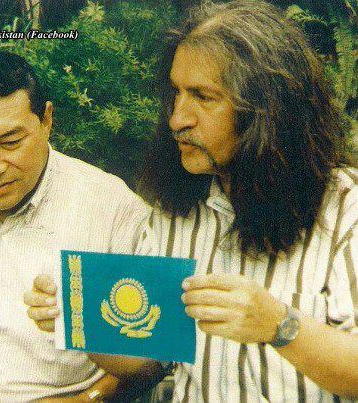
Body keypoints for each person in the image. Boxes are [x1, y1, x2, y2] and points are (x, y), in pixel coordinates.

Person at [27, 0, 358, 401]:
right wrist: (78, 320)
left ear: (269, 110)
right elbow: (150, 364)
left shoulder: (346, 210)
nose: (177, 119)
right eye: (176, 94)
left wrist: (282, 326)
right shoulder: (174, 213)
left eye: (203, 96)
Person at [0, 50, 164, 401]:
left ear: (46, 120)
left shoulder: (113, 210)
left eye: (10, 143)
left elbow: (155, 360)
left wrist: (91, 398)